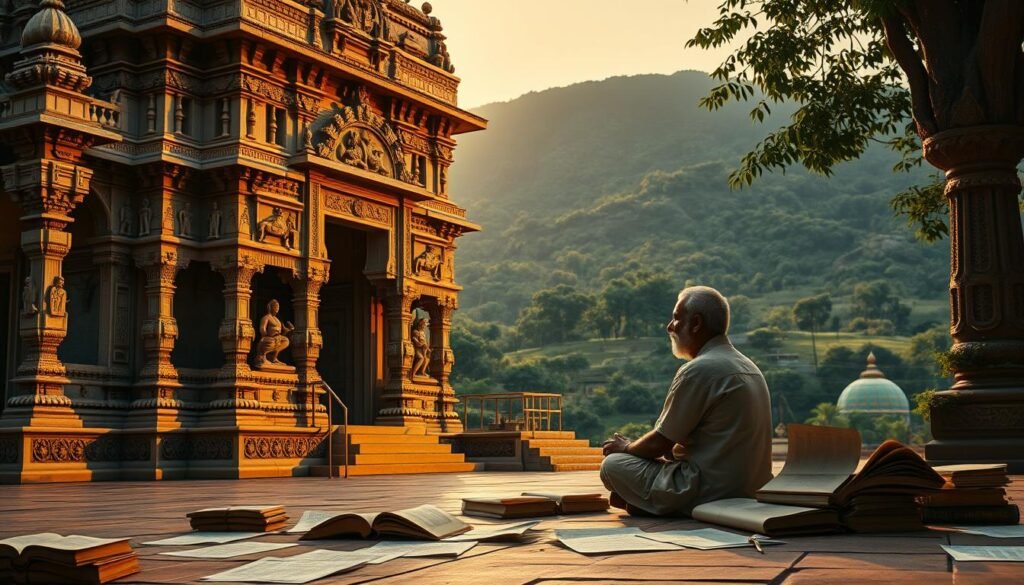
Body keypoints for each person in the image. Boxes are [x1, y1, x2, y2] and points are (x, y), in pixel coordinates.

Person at [600, 285, 773, 516]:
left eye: (676, 318)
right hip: (749, 490)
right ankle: (644, 503)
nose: (669, 326)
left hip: (707, 490)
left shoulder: (698, 369)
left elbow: (659, 444)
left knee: (612, 465)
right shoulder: (749, 366)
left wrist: (626, 447)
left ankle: (659, 505)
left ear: (696, 323)